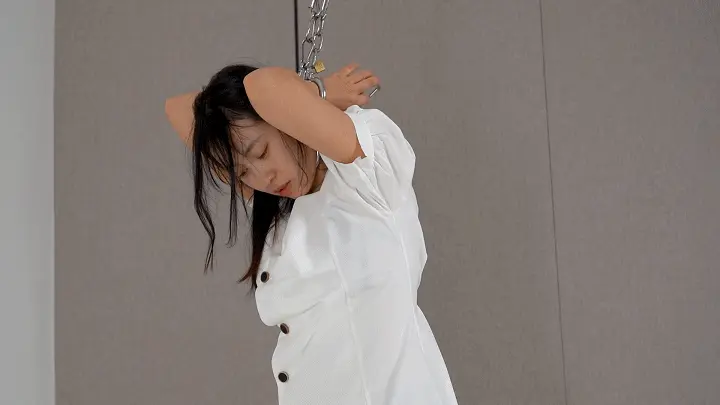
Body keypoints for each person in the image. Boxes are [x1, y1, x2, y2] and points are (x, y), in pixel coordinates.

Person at [165, 63, 459, 405]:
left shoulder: (366, 173)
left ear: (283, 119)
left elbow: (263, 86)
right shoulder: (281, 215)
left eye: (262, 152)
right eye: (243, 174)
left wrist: (317, 94)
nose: (263, 177)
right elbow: (177, 108)